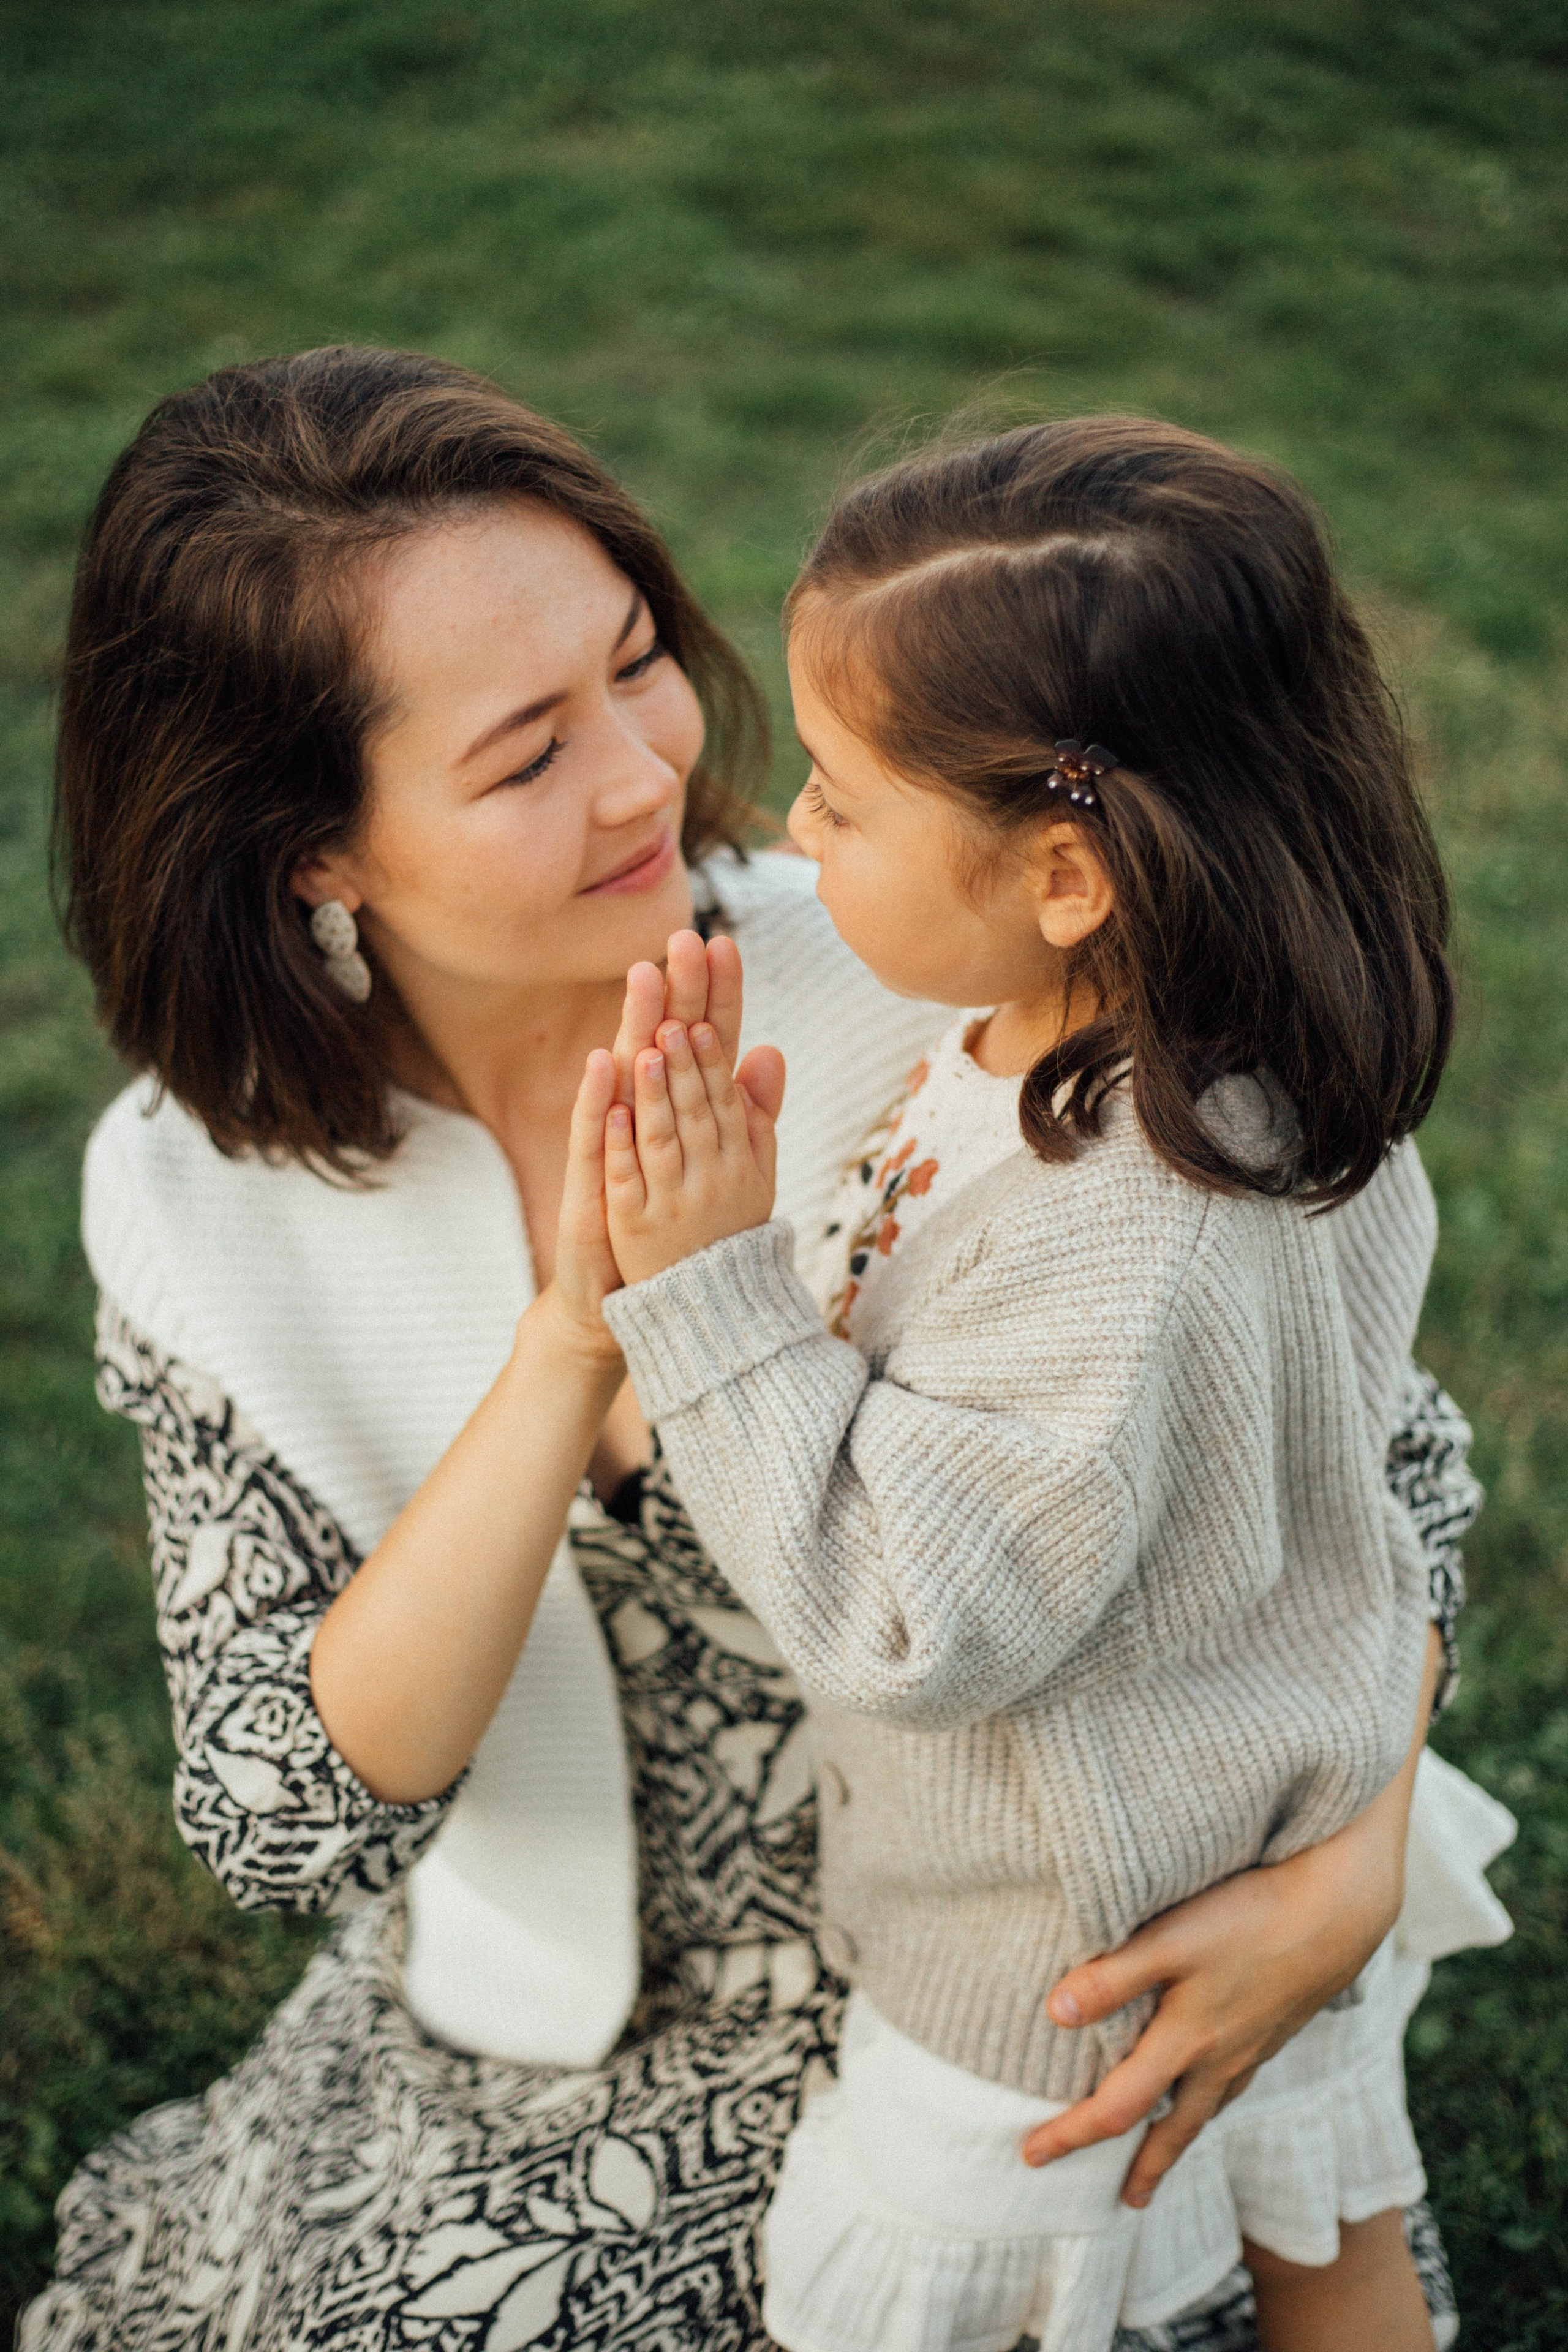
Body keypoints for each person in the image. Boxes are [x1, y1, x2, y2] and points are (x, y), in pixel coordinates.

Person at [23, 356, 1484, 2352]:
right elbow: (295, 1818)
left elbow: (1372, 1466)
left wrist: (1350, 1868)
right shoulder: (208, 1205)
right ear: (315, 854)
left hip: (1036, 1968)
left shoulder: (950, 976)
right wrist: (567, 1347)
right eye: (526, 753)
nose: (646, 772)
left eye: (637, 660)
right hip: (573, 2017)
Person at [580, 419, 1515, 2352]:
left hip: (1058, 1954)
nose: (791, 832)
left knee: (924, 2307)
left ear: (1066, 870)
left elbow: (913, 1610)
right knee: (1327, 2223)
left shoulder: (1125, 1224)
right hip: (1278, 1816)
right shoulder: (1178, 1065)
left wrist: (705, 1297)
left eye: (838, 800)